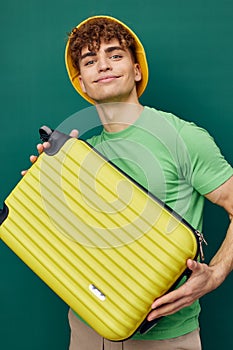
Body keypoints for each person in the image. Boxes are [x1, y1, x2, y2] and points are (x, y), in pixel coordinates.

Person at [24, 15, 233, 350]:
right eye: (90, 61)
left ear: (136, 70)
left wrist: (216, 274)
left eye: (115, 55)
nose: (103, 65)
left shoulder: (183, 137)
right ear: (82, 83)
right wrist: (39, 188)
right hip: (88, 325)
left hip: (165, 334)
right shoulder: (82, 155)